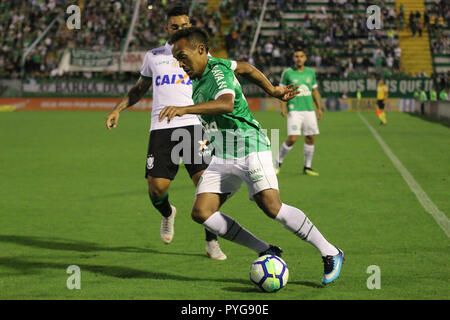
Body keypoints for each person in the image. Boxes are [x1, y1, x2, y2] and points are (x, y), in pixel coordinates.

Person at [159, 27, 344, 285]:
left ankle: (330, 252)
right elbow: (244, 67)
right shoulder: (208, 71)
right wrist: (271, 89)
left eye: (183, 56)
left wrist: (184, 109)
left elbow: (225, 103)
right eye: (177, 59)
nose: (180, 64)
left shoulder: (217, 71)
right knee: (202, 212)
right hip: (223, 153)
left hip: (248, 146)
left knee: (272, 207)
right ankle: (265, 250)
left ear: (200, 49)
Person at [104, 5, 228, 259]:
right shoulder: (154, 56)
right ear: (166, 29)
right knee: (156, 189)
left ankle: (211, 240)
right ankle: (167, 213)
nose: (181, 30)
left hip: (194, 124)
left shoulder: (201, 53)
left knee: (206, 184)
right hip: (162, 128)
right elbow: (139, 89)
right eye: (175, 27)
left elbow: (219, 82)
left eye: (185, 26)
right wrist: (117, 109)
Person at [275, 47, 323, 176]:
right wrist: (283, 107)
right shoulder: (288, 73)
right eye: (296, 56)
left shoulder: (310, 73)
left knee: (310, 138)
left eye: (301, 56)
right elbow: (281, 90)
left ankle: (307, 167)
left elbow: (314, 91)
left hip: (309, 110)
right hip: (294, 110)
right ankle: (278, 162)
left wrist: (319, 108)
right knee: (293, 138)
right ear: (293, 58)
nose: (299, 58)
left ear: (305, 58)